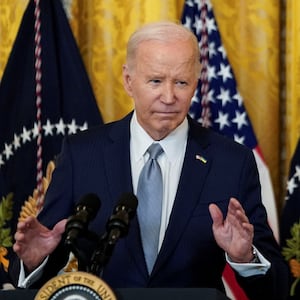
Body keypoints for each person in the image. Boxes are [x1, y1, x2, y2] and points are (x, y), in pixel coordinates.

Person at [9, 21, 288, 299]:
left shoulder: (232, 162)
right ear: (128, 81)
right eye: (155, 81)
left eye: (181, 82)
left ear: (196, 83)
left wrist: (244, 256)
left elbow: (276, 287)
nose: (169, 97)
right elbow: (43, 258)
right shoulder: (82, 154)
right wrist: (35, 261)